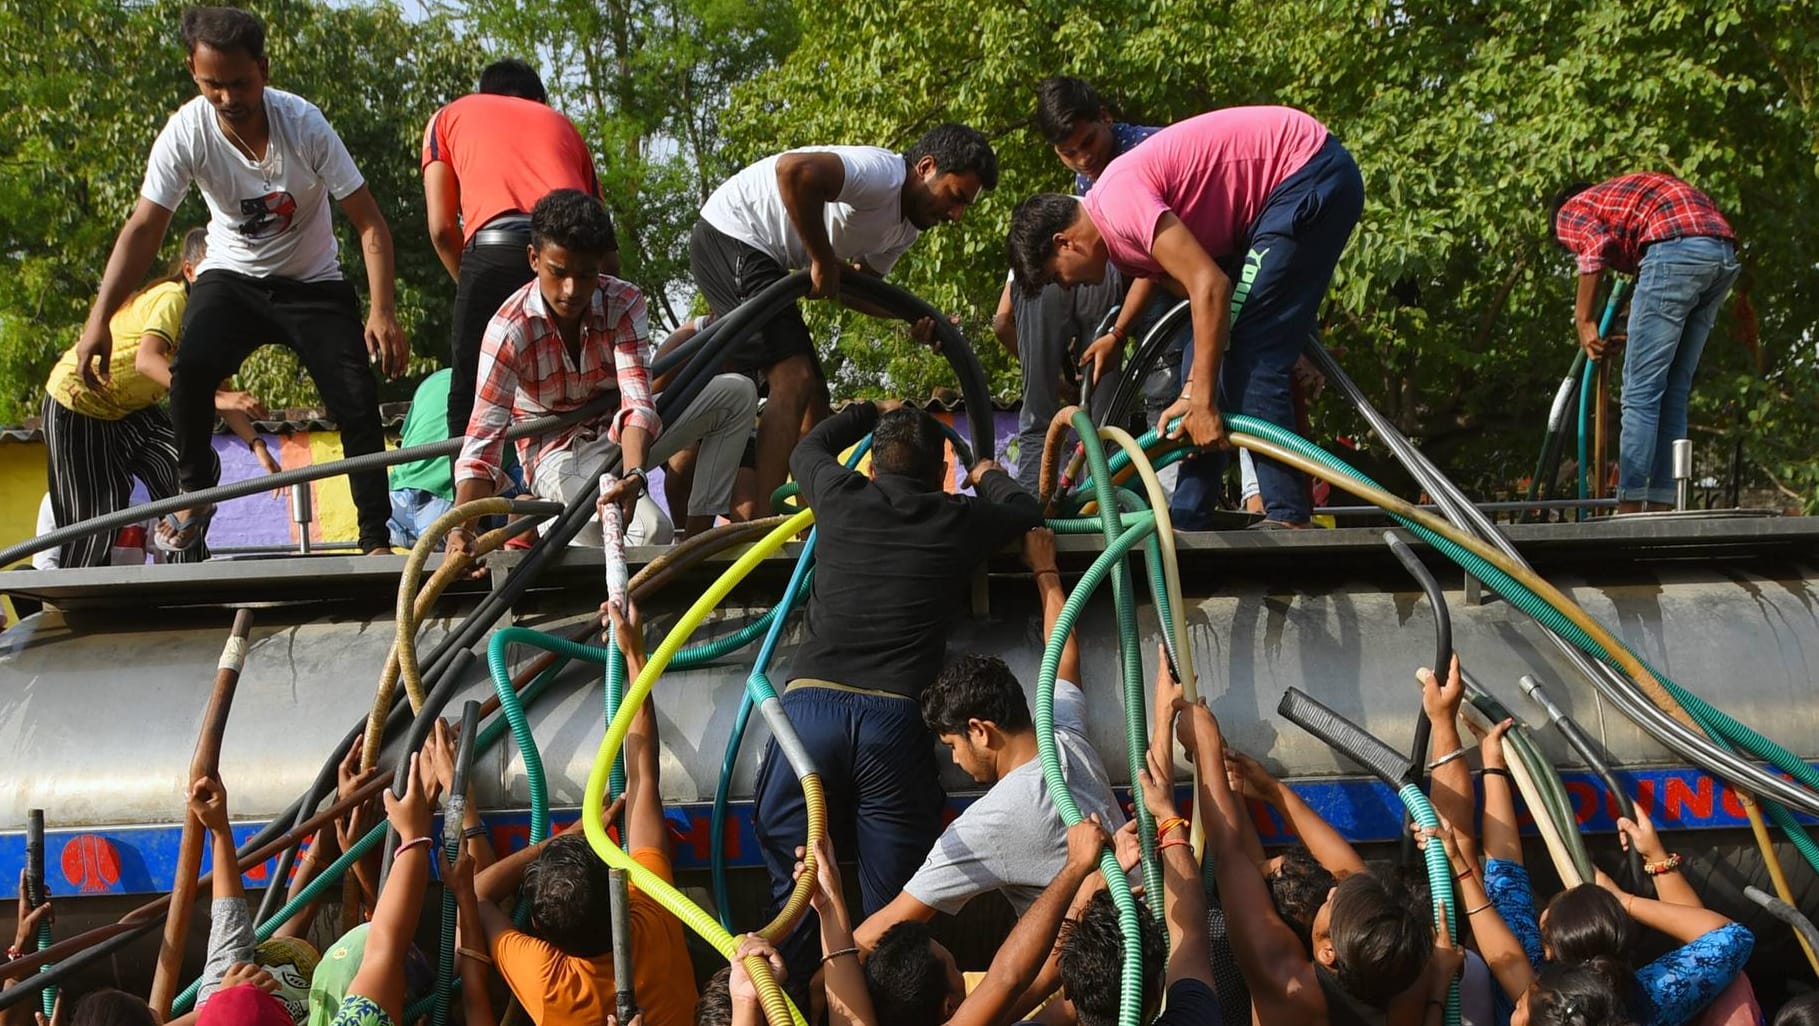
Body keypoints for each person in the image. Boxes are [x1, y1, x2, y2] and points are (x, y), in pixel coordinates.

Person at [71, 6, 406, 556]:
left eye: (241, 83)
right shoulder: (187, 130)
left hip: (313, 282)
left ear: (264, 70)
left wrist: (382, 310)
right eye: (214, 86)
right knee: (192, 369)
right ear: (193, 73)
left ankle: (374, 536)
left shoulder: (304, 124)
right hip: (232, 276)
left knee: (355, 399)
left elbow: (369, 221)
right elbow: (144, 228)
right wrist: (97, 320)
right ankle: (196, 489)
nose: (229, 99)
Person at [753, 398, 1042, 992]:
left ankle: (803, 998)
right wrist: (984, 472)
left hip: (809, 715)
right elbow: (1024, 510)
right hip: (894, 721)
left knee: (799, 881)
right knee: (894, 920)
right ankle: (888, 999)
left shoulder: (839, 494)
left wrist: (865, 410)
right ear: (941, 470)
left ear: (873, 466)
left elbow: (803, 449)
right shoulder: (954, 517)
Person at [1007, 105, 1365, 530]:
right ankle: (1188, 517)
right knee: (1207, 361)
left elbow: (1210, 286)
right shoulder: (1116, 234)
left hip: (1305, 172)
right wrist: (1189, 389)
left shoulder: (1118, 203)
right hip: (1285, 189)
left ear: (1064, 243)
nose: (1068, 288)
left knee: (1249, 346)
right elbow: (1199, 305)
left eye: (1057, 278)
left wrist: (1203, 398)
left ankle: (1288, 518)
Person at [690, 123, 999, 517]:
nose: (955, 215)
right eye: (955, 197)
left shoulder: (905, 229)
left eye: (964, 207)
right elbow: (793, 171)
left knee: (815, 400)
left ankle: (813, 522)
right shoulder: (882, 175)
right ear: (925, 167)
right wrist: (820, 257)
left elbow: (858, 288)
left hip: (764, 258)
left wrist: (918, 322)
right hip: (733, 233)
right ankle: (763, 528)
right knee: (794, 377)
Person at [448, 189, 757, 555]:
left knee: (736, 393)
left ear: (601, 265)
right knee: (650, 531)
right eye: (558, 272)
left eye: (586, 274)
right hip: (556, 454)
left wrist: (634, 475)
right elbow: (483, 441)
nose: (572, 290)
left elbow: (638, 402)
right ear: (534, 259)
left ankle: (696, 543)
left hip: (619, 439)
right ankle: (555, 518)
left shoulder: (623, 303)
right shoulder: (509, 329)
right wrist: (462, 529)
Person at [856, 526, 1125, 945]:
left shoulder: (993, 820)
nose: (956, 762)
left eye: (952, 746)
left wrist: (820, 983)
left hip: (1090, 978)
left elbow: (893, 922)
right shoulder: (1065, 737)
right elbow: (1064, 651)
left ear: (981, 731)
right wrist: (1045, 568)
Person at [465, 600, 697, 1026]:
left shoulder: (544, 980)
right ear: (617, 891)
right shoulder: (655, 911)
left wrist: (556, 840)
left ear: (539, 926)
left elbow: (473, 893)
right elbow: (643, 779)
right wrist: (634, 656)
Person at [1180, 694, 1436, 1023]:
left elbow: (1228, 853)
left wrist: (1204, 746)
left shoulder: (1288, 985)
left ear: (1329, 952)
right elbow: (1356, 879)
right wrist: (1272, 790)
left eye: (1333, 903)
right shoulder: (1403, 965)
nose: (1332, 890)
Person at [42, 229, 280, 564]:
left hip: (131, 411)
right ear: (189, 271)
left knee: (198, 466)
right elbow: (147, 360)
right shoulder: (172, 298)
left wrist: (257, 446)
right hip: (80, 403)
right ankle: (80, 604)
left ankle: (188, 568)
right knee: (97, 520)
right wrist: (217, 399)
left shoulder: (213, 322)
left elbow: (224, 392)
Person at [422, 58, 606, 449]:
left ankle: (474, 509)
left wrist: (474, 286)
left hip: (492, 252)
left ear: (482, 93)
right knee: (584, 391)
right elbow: (602, 243)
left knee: (471, 401)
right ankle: (589, 498)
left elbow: (441, 227)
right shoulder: (564, 125)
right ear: (540, 99)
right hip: (569, 259)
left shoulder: (449, 116)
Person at [1549, 175, 1739, 513]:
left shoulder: (1570, 210)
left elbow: (1593, 245)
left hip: (1675, 248)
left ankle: (1631, 507)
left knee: (1640, 393)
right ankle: (1664, 503)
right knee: (1673, 392)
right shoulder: (1629, 201)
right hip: (1720, 253)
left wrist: (1583, 320)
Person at [1032, 76, 1183, 434]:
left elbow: (1155, 260)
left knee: (1182, 390)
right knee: (1162, 392)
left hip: (1191, 278)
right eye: (1069, 152)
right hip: (1157, 289)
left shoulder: (1138, 156)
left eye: (1088, 141)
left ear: (1106, 117)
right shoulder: (1088, 179)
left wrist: (1118, 332)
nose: (1083, 158)